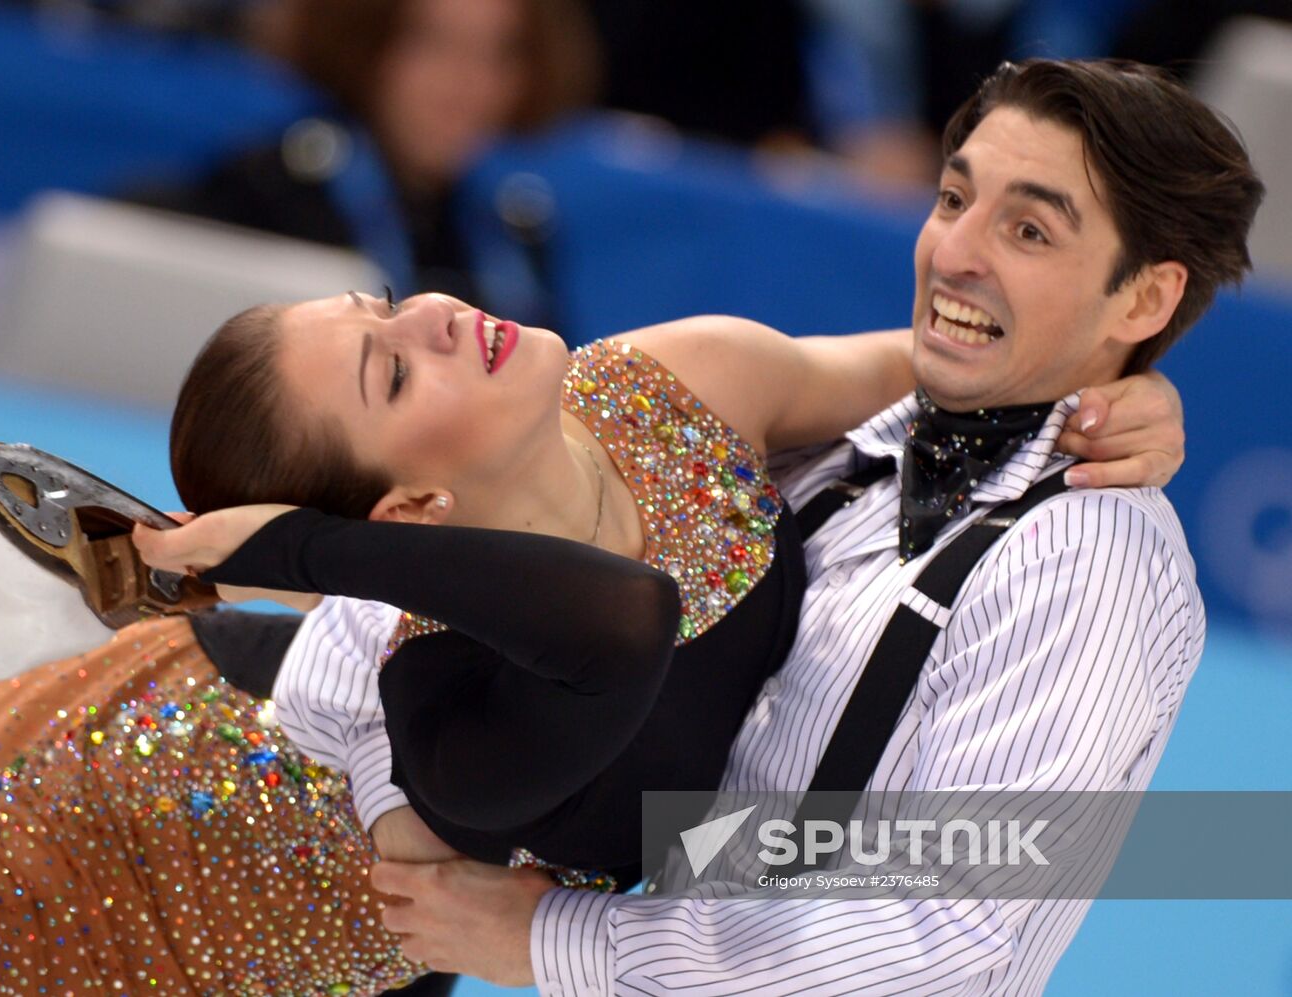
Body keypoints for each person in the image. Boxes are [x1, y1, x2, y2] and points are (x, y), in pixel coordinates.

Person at [163, 59, 1258, 994]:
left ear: (1144, 300)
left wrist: (552, 936)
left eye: (1026, 227)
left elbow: (950, 940)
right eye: (950, 198)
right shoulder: (813, 439)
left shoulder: (1087, 558)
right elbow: (438, 573)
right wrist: (402, 793)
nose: (954, 252)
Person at [0, 287, 1181, 992]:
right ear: (408, 513)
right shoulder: (449, 701)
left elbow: (942, 375)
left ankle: (5, 630)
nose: (437, 316)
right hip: (153, 841)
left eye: (385, 307)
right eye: (391, 373)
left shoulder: (663, 384)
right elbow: (626, 618)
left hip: (283, 801)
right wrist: (297, 549)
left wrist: (1111, 392)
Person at [131, 0, 599, 324]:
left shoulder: (517, 231)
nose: (469, 82)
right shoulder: (272, 191)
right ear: (367, 42)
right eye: (433, 43)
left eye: (501, 53)